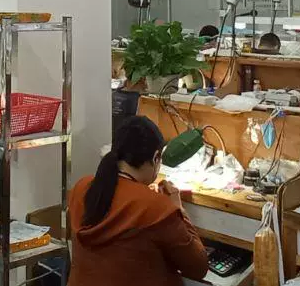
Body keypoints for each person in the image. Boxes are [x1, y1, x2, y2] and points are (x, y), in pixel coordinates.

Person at [69, 116, 208, 286]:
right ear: (156, 157)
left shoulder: (81, 188)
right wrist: (179, 209)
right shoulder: (157, 208)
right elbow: (198, 268)